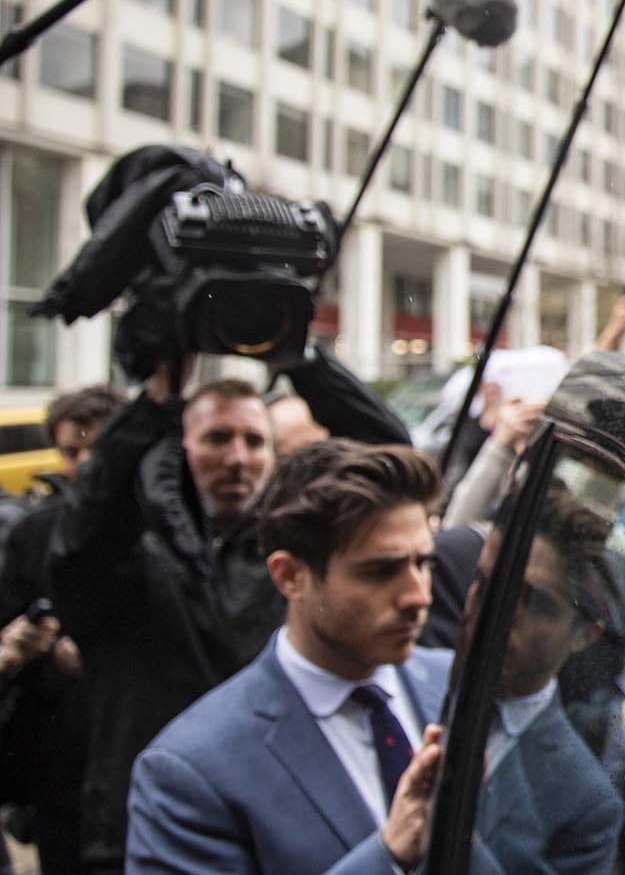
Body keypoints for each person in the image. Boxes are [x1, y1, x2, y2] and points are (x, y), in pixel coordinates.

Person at [48, 348, 409, 872]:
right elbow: (85, 533)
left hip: (285, 829)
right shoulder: (126, 564)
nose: (237, 458)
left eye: (254, 440)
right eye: (217, 439)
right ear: (180, 447)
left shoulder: (294, 558)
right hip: (145, 834)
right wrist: (156, 399)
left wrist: (298, 355)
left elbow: (392, 467)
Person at [124, 445, 449, 874]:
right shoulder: (191, 770)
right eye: (380, 571)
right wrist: (387, 857)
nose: (418, 596)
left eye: (423, 563)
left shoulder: (460, 685)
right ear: (289, 576)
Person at [463, 483, 623, 874]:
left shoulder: (586, 804)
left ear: (585, 635)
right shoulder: (399, 686)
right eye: (486, 582)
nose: (497, 613)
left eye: (534, 602)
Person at [0, 385, 121, 875]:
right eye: (72, 451)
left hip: (132, 753)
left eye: (98, 447)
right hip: (59, 766)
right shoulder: (33, 533)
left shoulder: (165, 526)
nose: (84, 464)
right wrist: (27, 647)